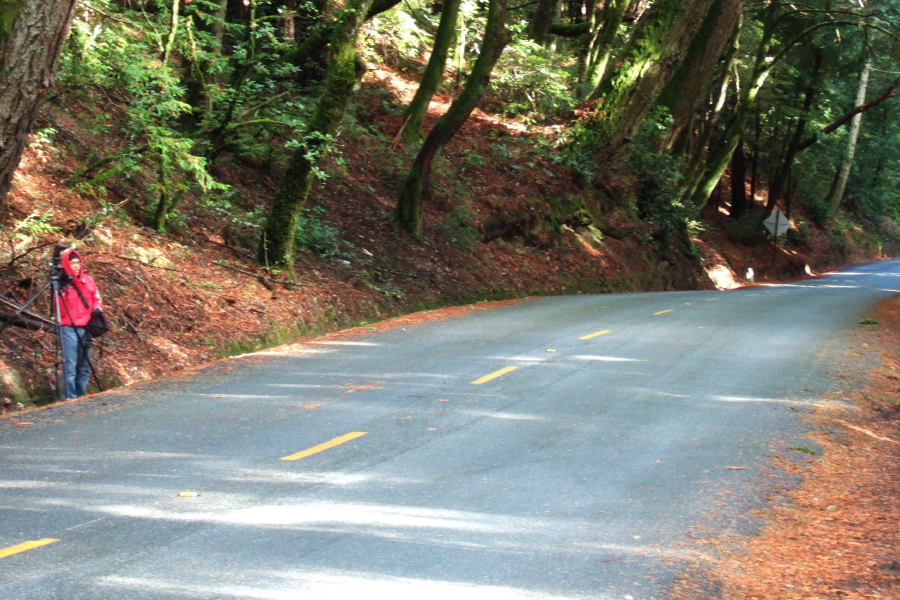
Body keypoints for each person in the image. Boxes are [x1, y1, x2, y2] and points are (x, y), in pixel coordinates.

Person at [57, 249, 103, 400]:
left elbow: (96, 298)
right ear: (66, 265)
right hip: (68, 327)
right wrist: (62, 287)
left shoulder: (88, 280)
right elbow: (59, 308)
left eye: (78, 263)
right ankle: (69, 398)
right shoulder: (63, 284)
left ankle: (81, 396)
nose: (76, 266)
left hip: (86, 326)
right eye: (72, 263)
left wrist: (97, 308)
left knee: (83, 365)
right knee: (70, 365)